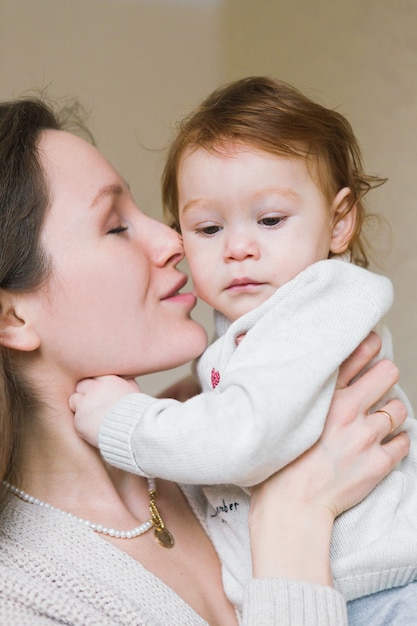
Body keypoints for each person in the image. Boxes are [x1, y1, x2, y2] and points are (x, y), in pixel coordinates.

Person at [0, 95, 409, 626]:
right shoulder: (25, 594)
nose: (173, 240)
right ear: (13, 319)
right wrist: (293, 519)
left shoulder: (199, 441)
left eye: (269, 218)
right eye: (116, 226)